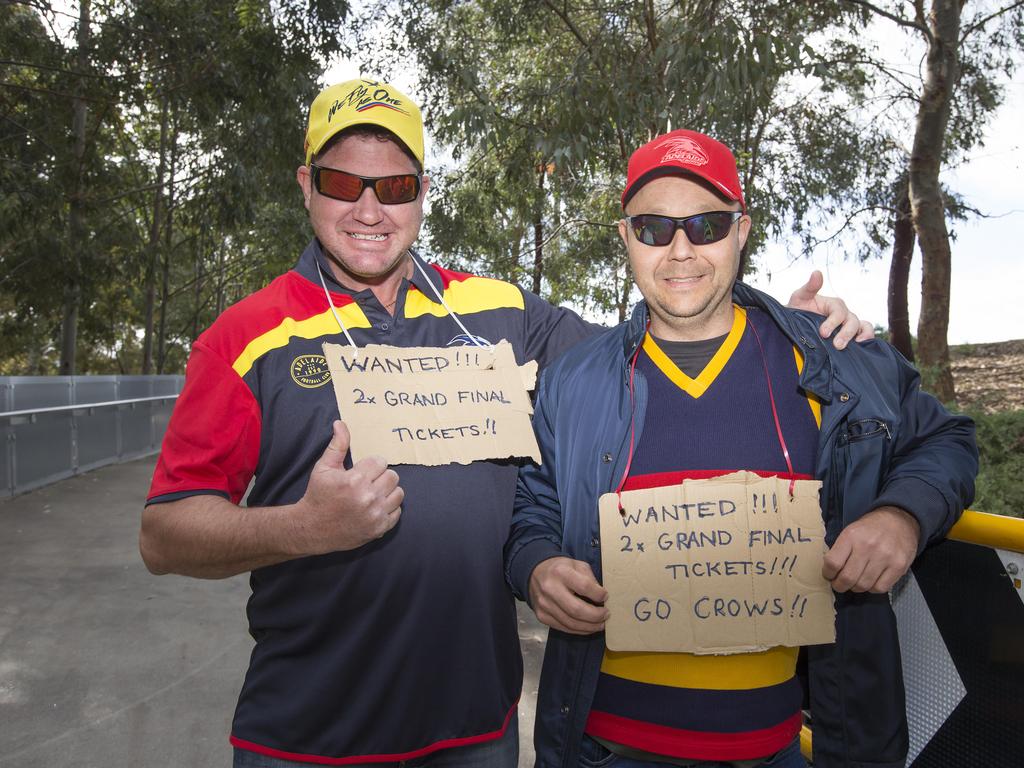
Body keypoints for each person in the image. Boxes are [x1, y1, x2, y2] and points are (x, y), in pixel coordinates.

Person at [140, 80, 874, 767]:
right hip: (304, 736)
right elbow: (165, 534)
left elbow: (665, 344)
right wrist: (303, 528)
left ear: (423, 195)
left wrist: (789, 327)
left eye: (394, 187)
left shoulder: (501, 311)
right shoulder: (244, 337)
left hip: (480, 732)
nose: (370, 210)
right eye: (342, 183)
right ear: (307, 186)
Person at [505, 128, 978, 768]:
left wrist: (901, 516)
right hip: (604, 750)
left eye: (705, 225)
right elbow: (530, 506)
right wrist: (535, 568)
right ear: (625, 238)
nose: (679, 250)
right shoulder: (572, 380)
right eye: (653, 228)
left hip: (779, 748)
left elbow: (946, 439)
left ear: (741, 231)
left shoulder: (831, 358)